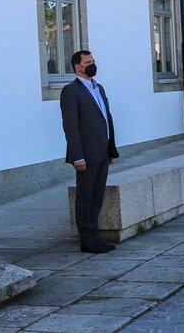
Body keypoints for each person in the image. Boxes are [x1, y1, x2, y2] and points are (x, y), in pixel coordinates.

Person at [61, 50, 119, 254]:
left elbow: (106, 118)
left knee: (97, 197)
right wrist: (78, 156)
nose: (93, 64)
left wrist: (112, 149)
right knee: (85, 198)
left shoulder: (98, 88)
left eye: (93, 61)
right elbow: (70, 126)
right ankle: (87, 240)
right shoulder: (71, 91)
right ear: (78, 67)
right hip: (85, 155)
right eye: (88, 62)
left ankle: (96, 237)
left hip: (102, 152)